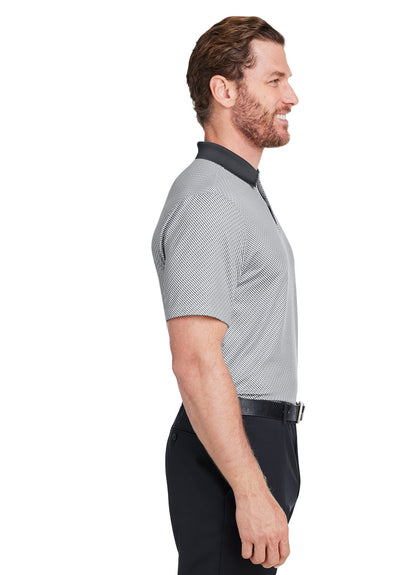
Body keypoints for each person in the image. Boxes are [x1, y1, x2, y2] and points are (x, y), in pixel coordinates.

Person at [151, 16, 303, 574]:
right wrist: (249, 487)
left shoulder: (238, 190)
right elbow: (194, 358)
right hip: (232, 445)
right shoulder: (210, 199)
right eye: (274, 80)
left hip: (254, 437)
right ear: (225, 90)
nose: (291, 97)